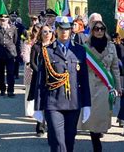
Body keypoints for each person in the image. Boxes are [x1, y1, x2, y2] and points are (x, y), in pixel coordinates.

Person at [34, 17, 91, 152]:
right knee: (58, 141)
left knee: (69, 140)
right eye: (61, 28)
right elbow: (40, 81)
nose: (64, 31)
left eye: (67, 28)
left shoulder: (80, 51)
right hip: (53, 102)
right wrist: (37, 107)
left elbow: (84, 80)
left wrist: (87, 104)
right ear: (56, 29)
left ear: (71, 30)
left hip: (73, 102)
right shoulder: (47, 51)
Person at [78, 20, 122, 152]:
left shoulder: (111, 46)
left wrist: (118, 87)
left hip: (105, 86)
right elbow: (81, 68)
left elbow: (115, 69)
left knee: (101, 116)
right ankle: (96, 142)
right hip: (90, 85)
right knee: (92, 117)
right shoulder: (86, 46)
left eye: (102, 29)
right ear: (92, 31)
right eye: (96, 29)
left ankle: (97, 135)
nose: (99, 31)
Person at [27, 24, 54, 137]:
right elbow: (32, 62)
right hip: (39, 78)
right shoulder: (36, 47)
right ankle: (40, 127)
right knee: (40, 102)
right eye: (45, 32)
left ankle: (52, 127)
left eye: (49, 32)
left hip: (53, 78)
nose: (47, 34)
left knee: (51, 103)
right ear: (40, 34)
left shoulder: (54, 46)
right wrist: (40, 72)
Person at [0, 13, 18, 97]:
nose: (3, 22)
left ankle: (11, 90)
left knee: (10, 73)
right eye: (1, 20)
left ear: (8, 20)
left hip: (10, 54)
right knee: (0, 73)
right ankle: (2, 89)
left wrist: (11, 49)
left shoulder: (13, 28)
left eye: (4, 20)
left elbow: (15, 40)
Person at [21, 23, 41, 123]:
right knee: (29, 89)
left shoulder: (43, 42)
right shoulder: (28, 42)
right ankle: (29, 111)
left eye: (38, 31)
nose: (36, 33)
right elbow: (24, 53)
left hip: (40, 69)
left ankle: (38, 110)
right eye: (35, 31)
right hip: (30, 69)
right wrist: (29, 63)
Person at [10, 11, 27, 79]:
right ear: (9, 17)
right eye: (12, 16)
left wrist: (22, 41)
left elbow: (25, 35)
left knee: (16, 60)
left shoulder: (20, 26)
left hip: (17, 45)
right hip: (9, 45)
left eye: (15, 16)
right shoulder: (7, 25)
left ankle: (16, 74)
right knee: (10, 60)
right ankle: (10, 73)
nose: (13, 17)